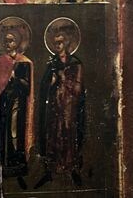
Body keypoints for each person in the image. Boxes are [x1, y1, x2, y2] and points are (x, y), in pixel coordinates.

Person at [35, 20, 86, 188]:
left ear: (67, 43)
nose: (58, 45)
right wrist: (51, 82)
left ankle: (72, 170)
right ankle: (50, 171)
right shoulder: (52, 64)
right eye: (55, 43)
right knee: (52, 135)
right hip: (54, 108)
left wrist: (62, 78)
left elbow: (78, 88)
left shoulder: (76, 64)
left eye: (60, 42)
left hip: (70, 109)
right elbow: (45, 87)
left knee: (69, 136)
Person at [0, 19, 34, 191]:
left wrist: (15, 78)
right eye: (5, 41)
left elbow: (27, 88)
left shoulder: (25, 62)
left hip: (18, 107)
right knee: (0, 136)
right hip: (2, 106)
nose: (8, 44)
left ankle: (18, 172)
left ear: (18, 42)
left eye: (11, 41)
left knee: (16, 138)